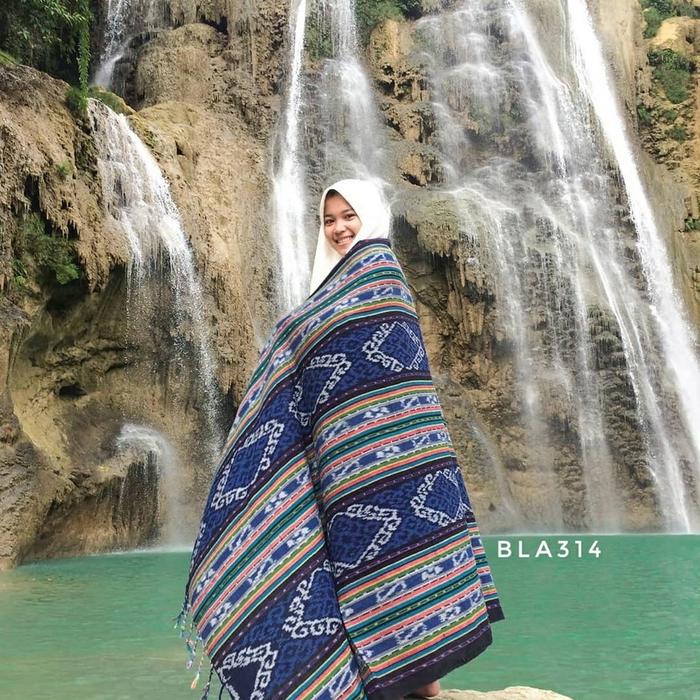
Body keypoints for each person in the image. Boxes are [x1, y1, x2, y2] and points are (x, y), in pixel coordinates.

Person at [177, 178, 504, 700]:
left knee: (404, 565)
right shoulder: (328, 292)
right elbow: (315, 354)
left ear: (369, 216)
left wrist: (291, 335)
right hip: (344, 468)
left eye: (348, 215)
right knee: (360, 574)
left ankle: (426, 682)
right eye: (328, 220)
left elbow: (393, 370)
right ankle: (389, 680)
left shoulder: (380, 273)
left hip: (398, 463)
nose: (338, 228)